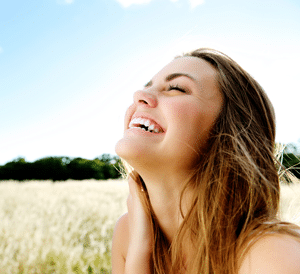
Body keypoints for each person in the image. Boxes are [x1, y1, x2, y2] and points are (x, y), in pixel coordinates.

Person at [111, 48, 300, 274]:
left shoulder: (275, 256)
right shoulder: (128, 233)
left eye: (176, 88)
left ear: (228, 133)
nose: (139, 95)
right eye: (147, 85)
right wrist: (139, 254)